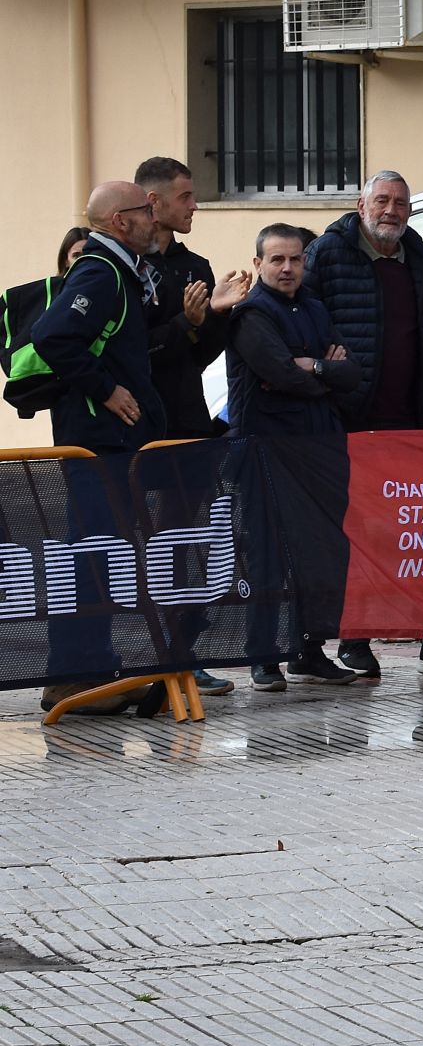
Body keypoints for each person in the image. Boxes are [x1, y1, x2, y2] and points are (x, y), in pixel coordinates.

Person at [306, 170, 423, 679]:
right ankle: (351, 641)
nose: (391, 210)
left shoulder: (421, 259)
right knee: (354, 533)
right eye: (382, 200)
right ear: (362, 204)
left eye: (400, 202)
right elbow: (301, 321)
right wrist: (323, 375)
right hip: (347, 419)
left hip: (411, 417)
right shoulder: (327, 253)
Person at [34, 183, 169, 716]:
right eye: (145, 210)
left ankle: (99, 670)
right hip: (95, 446)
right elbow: (53, 336)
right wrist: (105, 390)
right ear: (119, 221)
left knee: (102, 558)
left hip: (113, 445)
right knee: (86, 560)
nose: (152, 218)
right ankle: (69, 680)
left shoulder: (122, 272)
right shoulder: (100, 271)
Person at [226, 223, 365, 690]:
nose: (287, 268)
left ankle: (310, 651)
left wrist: (320, 368)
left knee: (318, 552)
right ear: (258, 264)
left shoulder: (316, 308)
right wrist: (319, 374)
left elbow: (353, 373)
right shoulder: (250, 314)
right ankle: (264, 657)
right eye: (277, 260)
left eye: (296, 259)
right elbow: (281, 374)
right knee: (267, 555)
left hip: (317, 450)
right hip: (266, 451)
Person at [134, 157, 251, 697]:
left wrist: (217, 315)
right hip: (131, 433)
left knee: (185, 544)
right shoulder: (120, 266)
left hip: (186, 430)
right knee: (133, 548)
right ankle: (138, 657)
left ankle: (184, 654)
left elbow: (198, 354)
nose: (195, 205)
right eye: (185, 196)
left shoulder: (193, 264)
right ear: (153, 202)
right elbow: (136, 354)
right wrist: (185, 323)